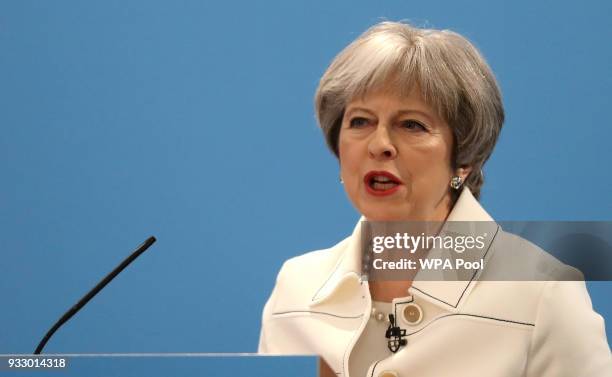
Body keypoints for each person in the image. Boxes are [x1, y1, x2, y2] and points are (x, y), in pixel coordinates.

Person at [258, 21, 611, 377]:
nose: (379, 144)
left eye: (411, 124)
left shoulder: (543, 294)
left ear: (464, 159)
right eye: (360, 121)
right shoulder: (296, 289)